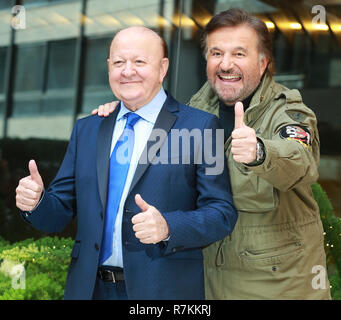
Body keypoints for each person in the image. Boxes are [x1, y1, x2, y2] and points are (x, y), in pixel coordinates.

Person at [93, 9, 331, 299]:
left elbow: (299, 161)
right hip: (204, 286)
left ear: (263, 62)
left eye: (239, 54)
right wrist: (121, 113)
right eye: (216, 53)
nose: (226, 64)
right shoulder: (190, 112)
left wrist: (260, 151)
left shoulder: (287, 112)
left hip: (276, 288)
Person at [15, 26, 237, 300]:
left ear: (162, 68)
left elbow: (222, 213)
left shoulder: (202, 127)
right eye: (119, 62)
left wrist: (168, 226)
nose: (127, 71)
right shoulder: (88, 129)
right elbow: (58, 212)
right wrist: (36, 202)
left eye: (139, 62)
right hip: (89, 290)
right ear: (109, 67)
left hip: (161, 290)